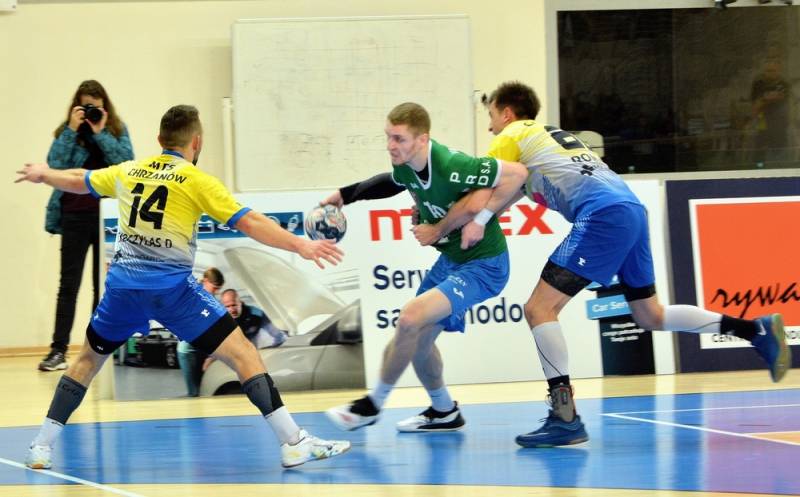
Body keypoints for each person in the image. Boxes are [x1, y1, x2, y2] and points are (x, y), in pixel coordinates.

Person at [429, 81, 791, 448]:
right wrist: (469, 222)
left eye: (492, 116)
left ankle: (565, 416)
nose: (490, 127)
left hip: (602, 214)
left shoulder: (513, 134)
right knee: (649, 315)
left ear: (507, 114)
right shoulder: (542, 143)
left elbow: (479, 198)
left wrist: (438, 223)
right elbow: (497, 203)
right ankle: (753, 330)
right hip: (630, 209)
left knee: (539, 309)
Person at [16, 104, 350, 469]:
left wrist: (45, 174)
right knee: (243, 353)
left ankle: (41, 447)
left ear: (159, 139)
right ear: (197, 141)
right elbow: (250, 222)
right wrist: (300, 245)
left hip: (123, 292)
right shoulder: (196, 180)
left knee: (86, 361)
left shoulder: (129, 171)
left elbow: (82, 179)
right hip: (173, 293)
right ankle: (294, 442)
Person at [323, 102, 529, 432]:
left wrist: (477, 220)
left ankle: (373, 404)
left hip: (484, 264)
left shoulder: (453, 165)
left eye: (399, 139)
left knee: (409, 318)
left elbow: (518, 175)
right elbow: (391, 182)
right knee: (415, 340)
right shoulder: (406, 165)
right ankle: (444, 410)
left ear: (422, 139)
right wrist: (344, 195)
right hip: (451, 261)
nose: (391, 145)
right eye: (388, 137)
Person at [39, 80, 134, 372]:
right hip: (73, 216)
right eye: (86, 106)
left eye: (97, 107)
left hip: (107, 218)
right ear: (76, 106)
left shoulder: (115, 129)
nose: (92, 111)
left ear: (105, 106)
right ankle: (58, 351)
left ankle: (96, 350)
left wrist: (100, 132)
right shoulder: (67, 132)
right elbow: (54, 165)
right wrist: (71, 129)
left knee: (103, 286)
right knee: (68, 286)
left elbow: (126, 163)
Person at [203, 289, 288, 371]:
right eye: (227, 306)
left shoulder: (257, 314)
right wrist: (211, 358)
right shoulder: (219, 320)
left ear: (240, 302)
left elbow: (277, 335)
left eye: (234, 305)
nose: (232, 310)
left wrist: (272, 351)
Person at [176, 267, 225, 396]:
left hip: (201, 349)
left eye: (218, 289)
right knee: (195, 392)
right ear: (206, 281)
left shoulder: (209, 299)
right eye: (215, 288)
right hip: (188, 352)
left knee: (205, 389)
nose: (216, 292)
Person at [751, 59, 792, 165]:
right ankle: (759, 168)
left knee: (779, 152)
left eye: (773, 70)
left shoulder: (784, 84)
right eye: (768, 70)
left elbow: (784, 100)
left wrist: (764, 99)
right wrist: (769, 98)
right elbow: (755, 105)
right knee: (759, 155)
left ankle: (779, 168)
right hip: (762, 121)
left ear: (779, 70)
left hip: (779, 123)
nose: (770, 73)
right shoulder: (758, 84)